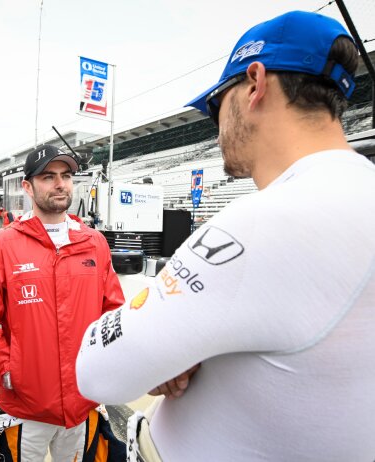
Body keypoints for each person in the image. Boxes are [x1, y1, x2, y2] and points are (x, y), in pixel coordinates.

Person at [76, 10, 375, 461]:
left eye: (217, 105)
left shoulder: (269, 220)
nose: (215, 128)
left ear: (254, 83)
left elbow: (97, 371)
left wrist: (175, 349)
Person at [0, 144, 125, 461]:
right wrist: (9, 373)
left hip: (82, 404)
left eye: (66, 176)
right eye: (48, 177)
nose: (60, 183)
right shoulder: (2, 246)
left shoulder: (94, 243)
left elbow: (114, 313)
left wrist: (105, 367)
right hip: (25, 408)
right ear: (28, 186)